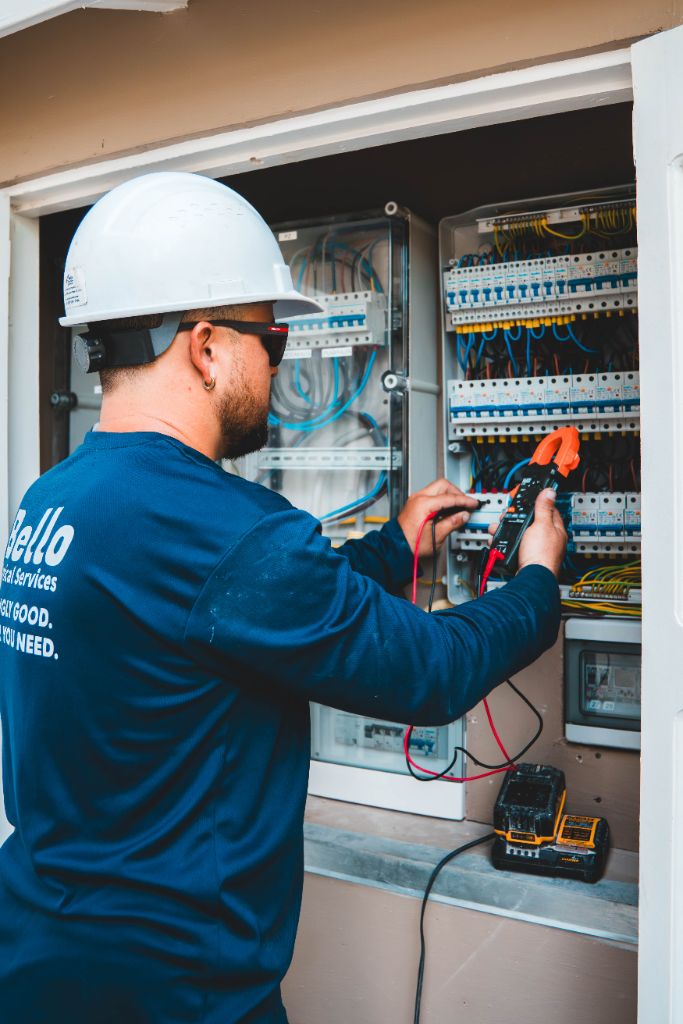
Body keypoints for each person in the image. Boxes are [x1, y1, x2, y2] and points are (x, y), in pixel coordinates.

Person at [0, 172, 566, 1023]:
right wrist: (536, 580)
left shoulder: (55, 500)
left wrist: (393, 545)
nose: (279, 361)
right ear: (205, 346)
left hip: (41, 959)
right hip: (174, 990)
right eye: (271, 340)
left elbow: (226, 614)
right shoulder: (223, 526)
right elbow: (432, 671)